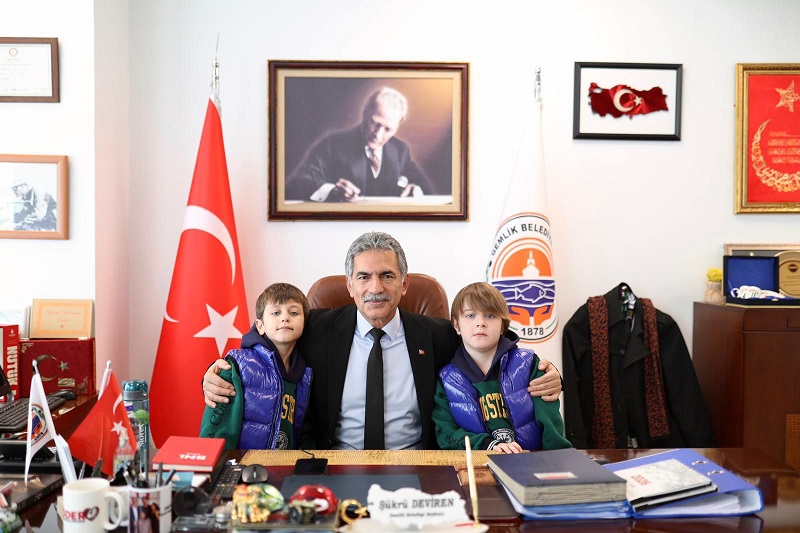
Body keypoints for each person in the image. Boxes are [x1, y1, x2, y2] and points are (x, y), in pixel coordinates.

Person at [203, 232, 563, 450]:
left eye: (387, 276)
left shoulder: (437, 335)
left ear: (404, 284)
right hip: (336, 464)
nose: (375, 288)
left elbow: (492, 350)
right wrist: (217, 372)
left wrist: (548, 373)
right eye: (364, 277)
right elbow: (267, 341)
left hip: (419, 465)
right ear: (349, 286)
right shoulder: (317, 329)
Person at [433, 282, 571, 453]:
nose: (480, 323)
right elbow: (446, 432)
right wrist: (486, 445)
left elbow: (550, 422)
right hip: (476, 464)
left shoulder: (528, 364)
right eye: (470, 315)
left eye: (490, 315)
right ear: (456, 325)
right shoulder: (446, 379)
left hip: (531, 461)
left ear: (503, 326)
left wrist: (559, 458)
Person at [199, 283, 313, 450]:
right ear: (260, 326)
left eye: (294, 313)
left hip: (286, 464)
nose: (285, 317)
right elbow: (214, 437)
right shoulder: (235, 367)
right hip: (243, 465)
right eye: (276, 312)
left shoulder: (304, 376)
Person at [285, 87, 434, 201]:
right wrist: (332, 191)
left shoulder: (400, 150)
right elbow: (298, 182)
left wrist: (417, 190)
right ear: (365, 113)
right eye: (375, 123)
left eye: (388, 129)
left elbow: (427, 190)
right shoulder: (332, 145)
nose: (378, 134)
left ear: (398, 125)